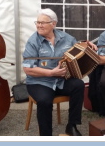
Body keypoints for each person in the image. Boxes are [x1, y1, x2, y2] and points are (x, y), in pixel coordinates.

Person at [22, 8, 97, 136]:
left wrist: (87, 44)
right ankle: (46, 136)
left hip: (60, 80)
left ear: (53, 24)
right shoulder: (33, 42)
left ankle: (71, 126)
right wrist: (51, 73)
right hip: (39, 82)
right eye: (37, 22)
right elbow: (28, 69)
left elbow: (77, 47)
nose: (39, 25)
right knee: (45, 101)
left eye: (43, 22)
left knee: (78, 85)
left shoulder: (66, 38)